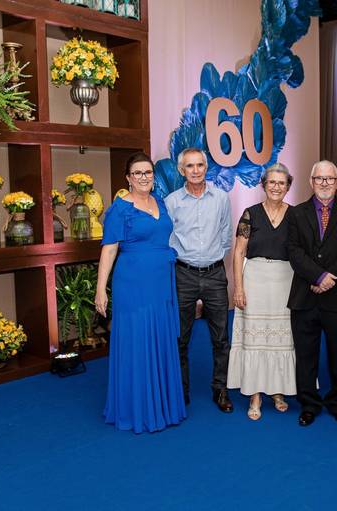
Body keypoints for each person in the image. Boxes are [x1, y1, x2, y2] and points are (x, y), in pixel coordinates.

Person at [95, 152, 186, 433]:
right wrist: (100, 290)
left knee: (159, 336)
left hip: (161, 283)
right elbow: (109, 249)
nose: (144, 177)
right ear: (128, 178)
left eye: (148, 172)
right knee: (138, 339)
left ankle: (163, 405)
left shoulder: (160, 202)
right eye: (137, 173)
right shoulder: (120, 209)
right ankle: (138, 409)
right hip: (133, 283)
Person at [287, 160, 337, 427]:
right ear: (311, 182)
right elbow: (294, 250)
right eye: (319, 178)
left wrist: (330, 279)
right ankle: (308, 404)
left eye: (330, 178)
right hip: (305, 296)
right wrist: (318, 276)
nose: (324, 183)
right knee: (306, 356)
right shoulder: (296, 213)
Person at [165, 148, 234, 413]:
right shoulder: (172, 202)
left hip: (215, 274)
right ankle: (180, 392)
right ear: (181, 170)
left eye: (200, 165)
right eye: (190, 166)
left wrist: (212, 258)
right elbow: (168, 239)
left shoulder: (221, 198)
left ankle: (221, 390)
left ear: (206, 168)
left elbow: (226, 234)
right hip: (183, 274)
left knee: (221, 338)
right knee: (180, 338)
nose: (195, 170)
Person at [227, 163, 297, 420]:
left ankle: (278, 390)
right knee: (255, 339)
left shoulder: (296, 215)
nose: (276, 187)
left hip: (285, 281)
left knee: (281, 339)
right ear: (264, 185)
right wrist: (238, 287)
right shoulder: (250, 214)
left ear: (288, 186)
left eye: (282, 183)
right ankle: (255, 394)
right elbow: (239, 252)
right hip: (255, 280)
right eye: (272, 182)